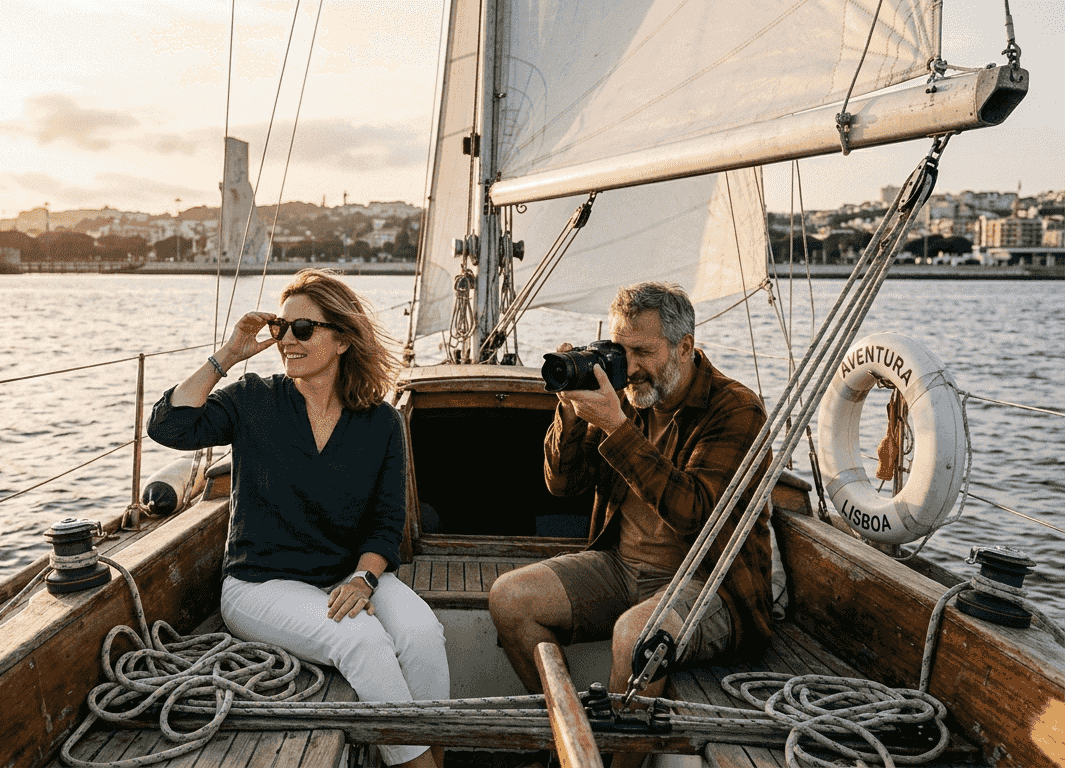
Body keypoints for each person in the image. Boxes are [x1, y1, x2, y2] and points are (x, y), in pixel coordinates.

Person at [147, 269, 448, 768]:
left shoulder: (381, 422)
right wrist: (228, 354)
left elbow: (386, 521)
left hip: (347, 573)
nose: (286, 340)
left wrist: (363, 577)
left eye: (303, 329)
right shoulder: (253, 399)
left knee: (423, 636)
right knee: (365, 642)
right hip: (260, 584)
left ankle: (436, 757)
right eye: (280, 328)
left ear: (343, 340)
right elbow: (169, 425)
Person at [488, 281, 773, 768]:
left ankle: (614, 765)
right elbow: (563, 483)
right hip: (622, 568)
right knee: (510, 598)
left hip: (706, 584)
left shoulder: (735, 409)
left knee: (635, 637)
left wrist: (617, 428)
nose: (629, 365)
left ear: (685, 346)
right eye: (620, 349)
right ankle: (577, 736)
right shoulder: (631, 398)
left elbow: (693, 512)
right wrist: (572, 412)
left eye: (643, 351)